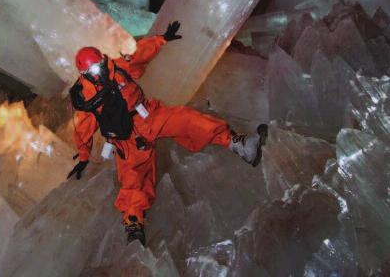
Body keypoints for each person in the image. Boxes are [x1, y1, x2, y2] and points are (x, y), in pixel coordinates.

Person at [67, 21, 267, 246]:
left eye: (101, 63)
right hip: (126, 139)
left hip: (148, 115)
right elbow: (83, 128)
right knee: (134, 179)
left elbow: (139, 55)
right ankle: (134, 223)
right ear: (85, 72)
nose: (101, 69)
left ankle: (238, 144)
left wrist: (162, 39)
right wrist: (83, 156)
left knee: (189, 120)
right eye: (94, 68)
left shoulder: (117, 67)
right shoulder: (86, 98)